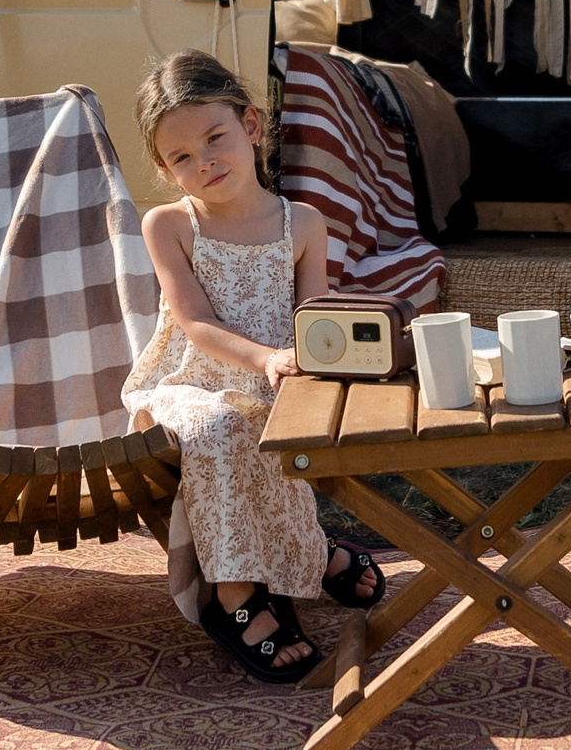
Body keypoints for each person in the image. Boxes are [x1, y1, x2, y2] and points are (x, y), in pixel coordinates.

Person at [121, 50, 385, 683]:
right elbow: (193, 322)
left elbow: (313, 314)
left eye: (215, 138)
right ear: (165, 170)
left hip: (277, 373)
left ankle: (313, 557)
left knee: (278, 420)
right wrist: (264, 356)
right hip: (188, 381)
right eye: (181, 156)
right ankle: (236, 595)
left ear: (252, 126)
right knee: (220, 428)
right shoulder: (169, 226)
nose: (205, 161)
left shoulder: (304, 223)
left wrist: (338, 356)